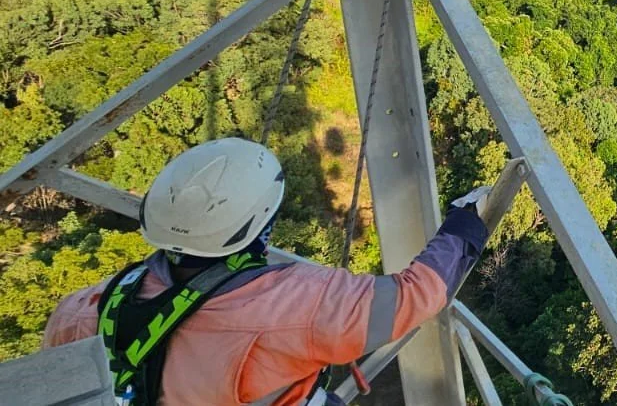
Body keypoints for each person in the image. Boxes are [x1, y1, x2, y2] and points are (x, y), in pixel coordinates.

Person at [42, 138, 490, 406]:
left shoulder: (77, 313)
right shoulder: (294, 306)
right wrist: (465, 226)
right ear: (262, 224)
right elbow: (414, 296)